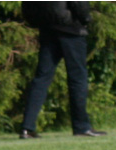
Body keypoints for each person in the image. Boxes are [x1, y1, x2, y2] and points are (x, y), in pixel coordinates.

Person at [19, 1, 106, 138]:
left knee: (42, 78)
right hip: (70, 27)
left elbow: (27, 6)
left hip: (47, 28)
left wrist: (36, 22)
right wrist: (85, 18)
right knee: (78, 78)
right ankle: (81, 126)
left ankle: (27, 127)